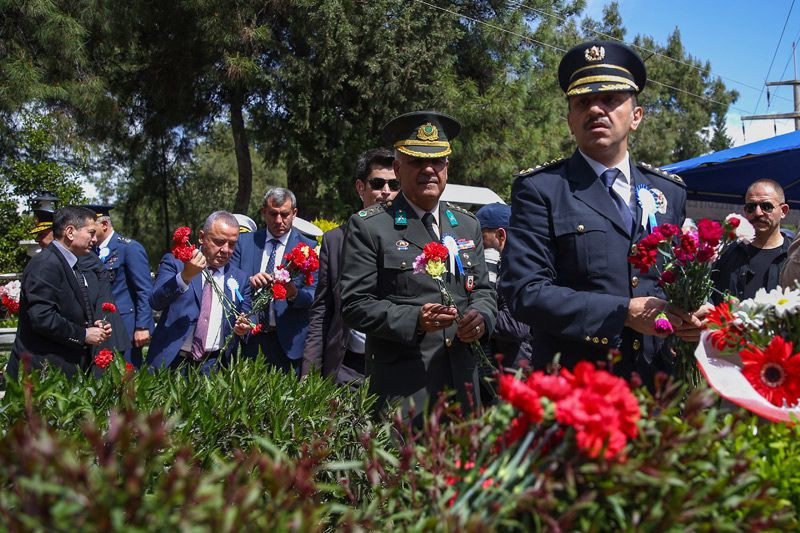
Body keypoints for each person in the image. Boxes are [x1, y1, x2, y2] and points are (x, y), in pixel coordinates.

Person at [500, 40, 702, 386]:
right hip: (578, 387)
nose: (595, 110)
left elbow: (677, 280)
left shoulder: (669, 191)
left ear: (636, 116)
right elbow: (525, 292)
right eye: (582, 103)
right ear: (570, 121)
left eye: (609, 100)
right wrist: (623, 312)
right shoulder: (542, 189)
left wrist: (695, 313)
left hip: (657, 383)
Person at [339, 111, 497, 418]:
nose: (428, 169)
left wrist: (482, 319)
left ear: (447, 167)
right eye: (416, 161)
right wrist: (415, 319)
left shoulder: (466, 225)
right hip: (405, 393)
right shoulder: (371, 227)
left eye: (437, 161)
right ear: (398, 169)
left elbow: (484, 291)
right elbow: (355, 305)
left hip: (463, 388)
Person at [302, 147, 399, 385]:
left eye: (394, 185)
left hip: (395, 368)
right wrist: (309, 372)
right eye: (377, 183)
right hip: (345, 368)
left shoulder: (411, 239)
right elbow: (322, 311)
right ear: (360, 187)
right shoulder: (335, 241)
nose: (386, 192)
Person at [7, 206, 112, 380]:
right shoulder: (46, 264)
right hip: (42, 376)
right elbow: (42, 318)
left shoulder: (69, 262)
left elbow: (69, 309)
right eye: (91, 232)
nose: (95, 239)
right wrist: (84, 334)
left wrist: (93, 326)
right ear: (70, 232)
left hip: (62, 371)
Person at [146, 211, 252, 373]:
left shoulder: (240, 278)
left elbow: (248, 316)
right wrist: (185, 277)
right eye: (219, 242)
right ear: (202, 237)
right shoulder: (176, 263)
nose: (226, 250)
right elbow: (156, 301)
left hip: (214, 366)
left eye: (232, 244)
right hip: (172, 362)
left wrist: (244, 327)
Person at [231, 188, 318, 374]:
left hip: (289, 346)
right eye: (273, 214)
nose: (278, 220)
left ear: (294, 213)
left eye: (284, 214)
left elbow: (314, 296)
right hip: (249, 340)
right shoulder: (244, 243)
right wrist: (249, 281)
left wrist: (293, 293)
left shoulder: (309, 248)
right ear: (263, 212)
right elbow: (228, 281)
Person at [82, 204, 154, 367]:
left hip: (125, 326)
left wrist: (142, 326)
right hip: (100, 327)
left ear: (104, 225)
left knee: (126, 378)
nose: (89, 232)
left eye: (92, 228)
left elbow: (144, 290)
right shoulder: (89, 252)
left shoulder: (128, 248)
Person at [711, 179, 791, 302]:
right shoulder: (725, 254)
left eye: (766, 206)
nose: (758, 213)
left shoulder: (793, 258)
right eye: (751, 207)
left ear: (783, 211)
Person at [475, 203, 532, 370]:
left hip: (519, 372)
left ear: (500, 235)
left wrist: (474, 315)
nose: (478, 245)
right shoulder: (505, 267)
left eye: (481, 238)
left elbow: (516, 326)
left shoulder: (518, 271)